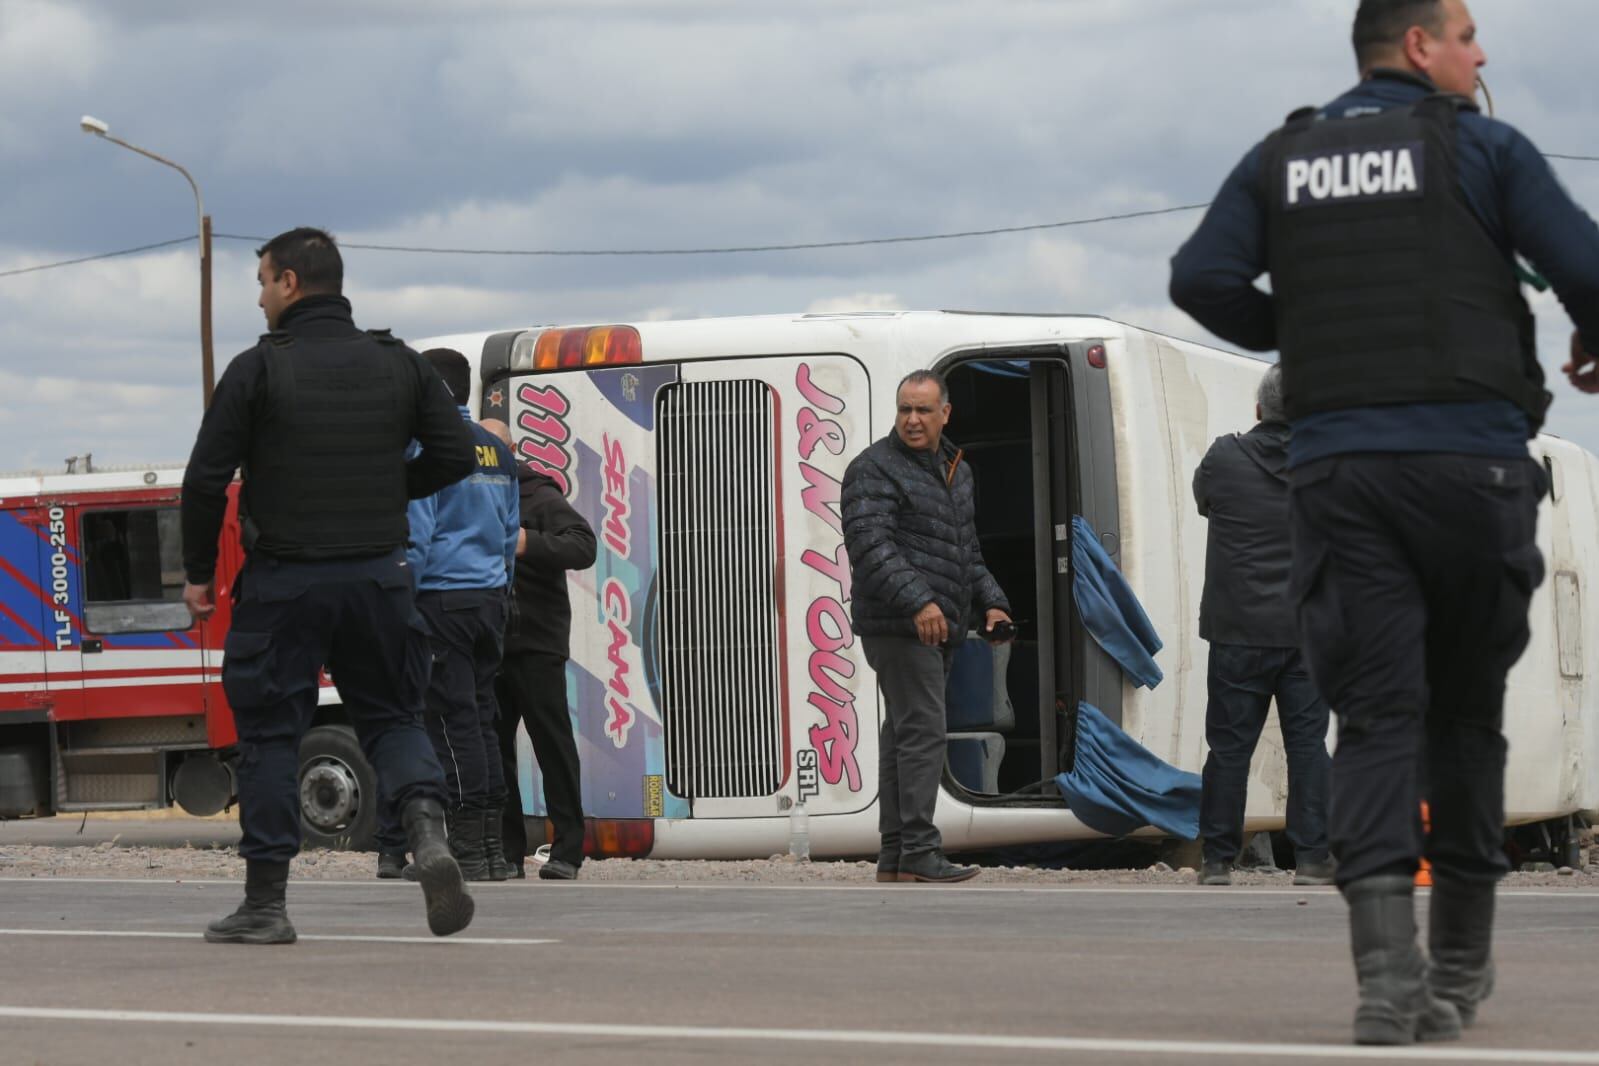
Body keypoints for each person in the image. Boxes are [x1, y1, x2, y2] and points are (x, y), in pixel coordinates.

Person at [1170, 0, 1599, 1045]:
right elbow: (1587, 269)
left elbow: (1200, 278)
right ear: (1420, 46)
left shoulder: (1290, 157)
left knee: (1370, 721)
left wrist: (1304, 334)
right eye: (1467, 36)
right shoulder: (1487, 149)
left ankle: (1384, 983)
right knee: (1462, 719)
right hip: (1473, 473)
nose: (1481, 53)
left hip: (1344, 479)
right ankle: (1456, 972)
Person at [181, 226, 477, 942]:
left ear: (288, 282)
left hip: (285, 582)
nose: (257, 298)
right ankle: (428, 833)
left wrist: (197, 576)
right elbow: (457, 454)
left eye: (260, 282)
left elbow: (204, 480)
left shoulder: (258, 368)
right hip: (380, 577)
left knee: (271, 738)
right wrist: (384, 492)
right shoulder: (398, 362)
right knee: (394, 718)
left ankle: (266, 906)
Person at [841, 369, 1012, 885]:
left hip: (940, 626)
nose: (912, 420)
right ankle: (918, 848)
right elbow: (872, 547)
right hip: (899, 625)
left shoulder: (956, 470)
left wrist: (993, 602)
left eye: (921, 410)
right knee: (923, 732)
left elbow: (966, 551)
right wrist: (919, 604)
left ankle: (896, 857)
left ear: (945, 413)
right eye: (903, 410)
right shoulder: (873, 468)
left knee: (904, 734)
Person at [372, 350, 521, 882]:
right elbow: (508, 539)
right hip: (488, 603)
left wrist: (397, 605)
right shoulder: (496, 452)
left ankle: (462, 853)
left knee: (447, 724)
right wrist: (498, 598)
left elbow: (417, 537)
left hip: (441, 602)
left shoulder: (428, 449)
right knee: (481, 722)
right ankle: (493, 852)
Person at [1192, 364, 1332, 888]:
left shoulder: (1224, 457)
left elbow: (1205, 503)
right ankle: (1314, 859)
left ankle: (1216, 861)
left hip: (1237, 630)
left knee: (1229, 748)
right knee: (1307, 745)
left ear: (1258, 409)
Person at [493, 443, 597, 880]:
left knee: (551, 745)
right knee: (494, 752)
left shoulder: (536, 494)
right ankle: (506, 851)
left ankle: (568, 851)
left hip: (537, 643)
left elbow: (583, 545)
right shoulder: (468, 495)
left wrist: (526, 542)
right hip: (489, 643)